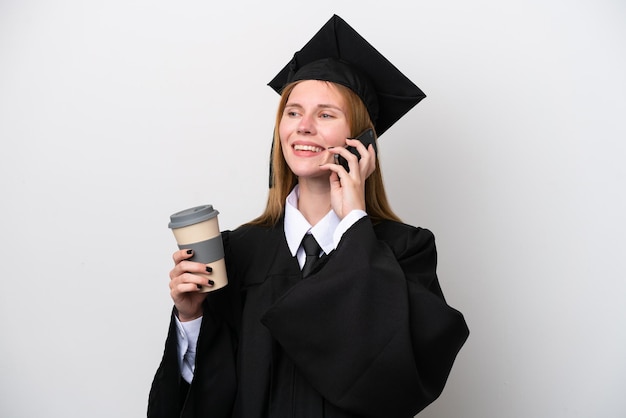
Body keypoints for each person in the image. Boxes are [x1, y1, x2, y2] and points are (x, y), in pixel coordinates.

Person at [148, 14, 469, 418]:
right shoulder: (239, 252)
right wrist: (191, 318)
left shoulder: (406, 250)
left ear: (362, 139)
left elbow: (395, 382)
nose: (303, 127)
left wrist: (354, 221)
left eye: (326, 114)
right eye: (293, 112)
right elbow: (213, 396)